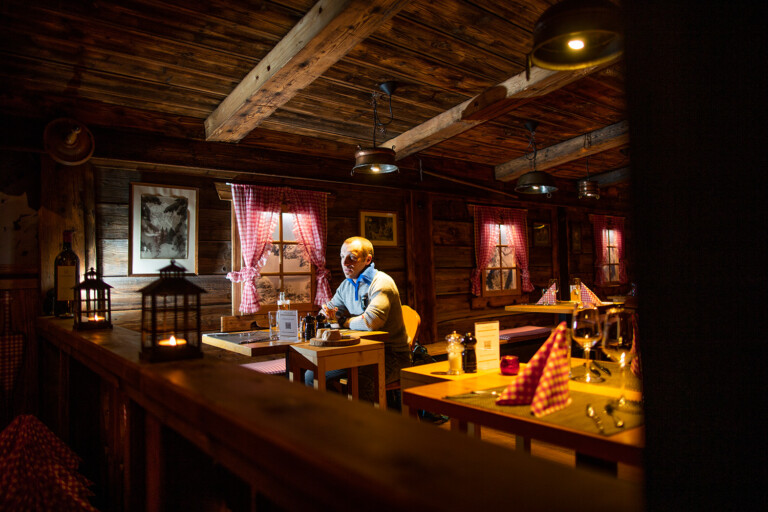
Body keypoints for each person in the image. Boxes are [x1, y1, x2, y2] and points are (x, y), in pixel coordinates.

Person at [304, 236, 411, 402]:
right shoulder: (347, 285)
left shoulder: (381, 282)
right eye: (342, 256)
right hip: (360, 351)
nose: (345, 262)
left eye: (352, 257)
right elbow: (328, 311)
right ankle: (337, 414)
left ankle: (359, 418)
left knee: (360, 384)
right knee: (312, 375)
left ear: (368, 260)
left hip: (391, 355)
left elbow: (371, 322)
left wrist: (343, 322)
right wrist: (326, 315)